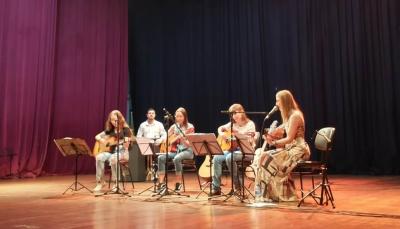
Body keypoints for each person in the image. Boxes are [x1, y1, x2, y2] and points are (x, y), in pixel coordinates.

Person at [253, 90, 310, 202]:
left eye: (278, 101)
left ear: (284, 101)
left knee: (268, 160)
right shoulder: (289, 117)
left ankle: (271, 195)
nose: (276, 103)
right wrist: (271, 136)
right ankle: (264, 194)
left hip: (299, 150)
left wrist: (274, 143)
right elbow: (281, 133)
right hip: (290, 148)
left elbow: (289, 138)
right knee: (263, 156)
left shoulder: (295, 116)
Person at [211, 103, 256, 196]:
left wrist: (238, 133)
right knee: (216, 157)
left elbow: (249, 140)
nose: (233, 116)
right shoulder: (232, 124)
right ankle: (216, 188)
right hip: (233, 149)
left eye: (235, 113)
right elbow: (220, 128)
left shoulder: (250, 124)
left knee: (229, 158)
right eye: (232, 114)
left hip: (246, 151)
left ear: (241, 112)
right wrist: (222, 134)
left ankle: (237, 186)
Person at [93, 110, 133, 192]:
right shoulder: (110, 130)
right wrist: (103, 140)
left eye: (115, 120)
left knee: (114, 158)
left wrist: (126, 144)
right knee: (99, 157)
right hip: (109, 152)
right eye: (111, 120)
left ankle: (116, 183)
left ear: (120, 119)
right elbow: (97, 136)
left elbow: (127, 144)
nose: (114, 122)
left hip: (122, 152)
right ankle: (100, 182)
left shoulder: (126, 130)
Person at [157, 107, 195, 192]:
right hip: (176, 151)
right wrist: (162, 139)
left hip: (187, 151)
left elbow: (189, 144)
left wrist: (181, 137)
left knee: (177, 158)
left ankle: (178, 183)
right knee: (161, 158)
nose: (178, 118)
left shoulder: (190, 127)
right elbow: (166, 135)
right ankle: (161, 183)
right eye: (177, 116)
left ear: (185, 117)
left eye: (181, 116)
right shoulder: (174, 126)